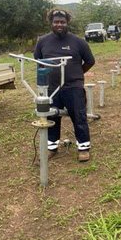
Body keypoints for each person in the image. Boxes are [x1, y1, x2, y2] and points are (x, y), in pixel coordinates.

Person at [34, 9, 95, 162]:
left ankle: (83, 148)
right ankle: (52, 147)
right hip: (52, 88)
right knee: (52, 116)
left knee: (79, 117)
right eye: (56, 22)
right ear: (51, 23)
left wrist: (76, 74)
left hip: (73, 87)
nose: (59, 25)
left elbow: (90, 61)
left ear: (67, 23)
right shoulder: (42, 41)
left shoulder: (78, 42)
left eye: (62, 22)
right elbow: (38, 62)